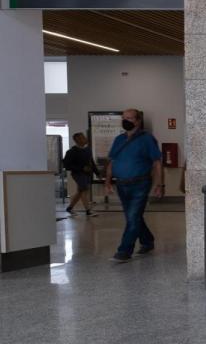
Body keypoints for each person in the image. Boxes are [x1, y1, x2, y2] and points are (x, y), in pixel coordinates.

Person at [104, 109, 163, 262]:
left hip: (140, 183)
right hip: (121, 185)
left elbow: (157, 163)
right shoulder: (118, 139)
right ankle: (147, 241)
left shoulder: (147, 139)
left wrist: (159, 184)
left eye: (129, 118)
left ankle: (124, 251)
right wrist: (108, 181)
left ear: (138, 121)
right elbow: (111, 161)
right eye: (124, 118)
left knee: (132, 217)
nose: (126, 121)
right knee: (134, 217)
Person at [64, 132, 98, 216]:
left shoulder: (87, 150)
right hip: (77, 174)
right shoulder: (71, 152)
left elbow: (91, 162)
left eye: (84, 137)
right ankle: (88, 211)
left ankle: (69, 208)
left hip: (87, 174)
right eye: (82, 138)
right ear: (77, 140)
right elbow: (67, 165)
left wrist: (97, 172)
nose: (85, 139)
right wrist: (81, 168)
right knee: (84, 190)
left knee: (80, 191)